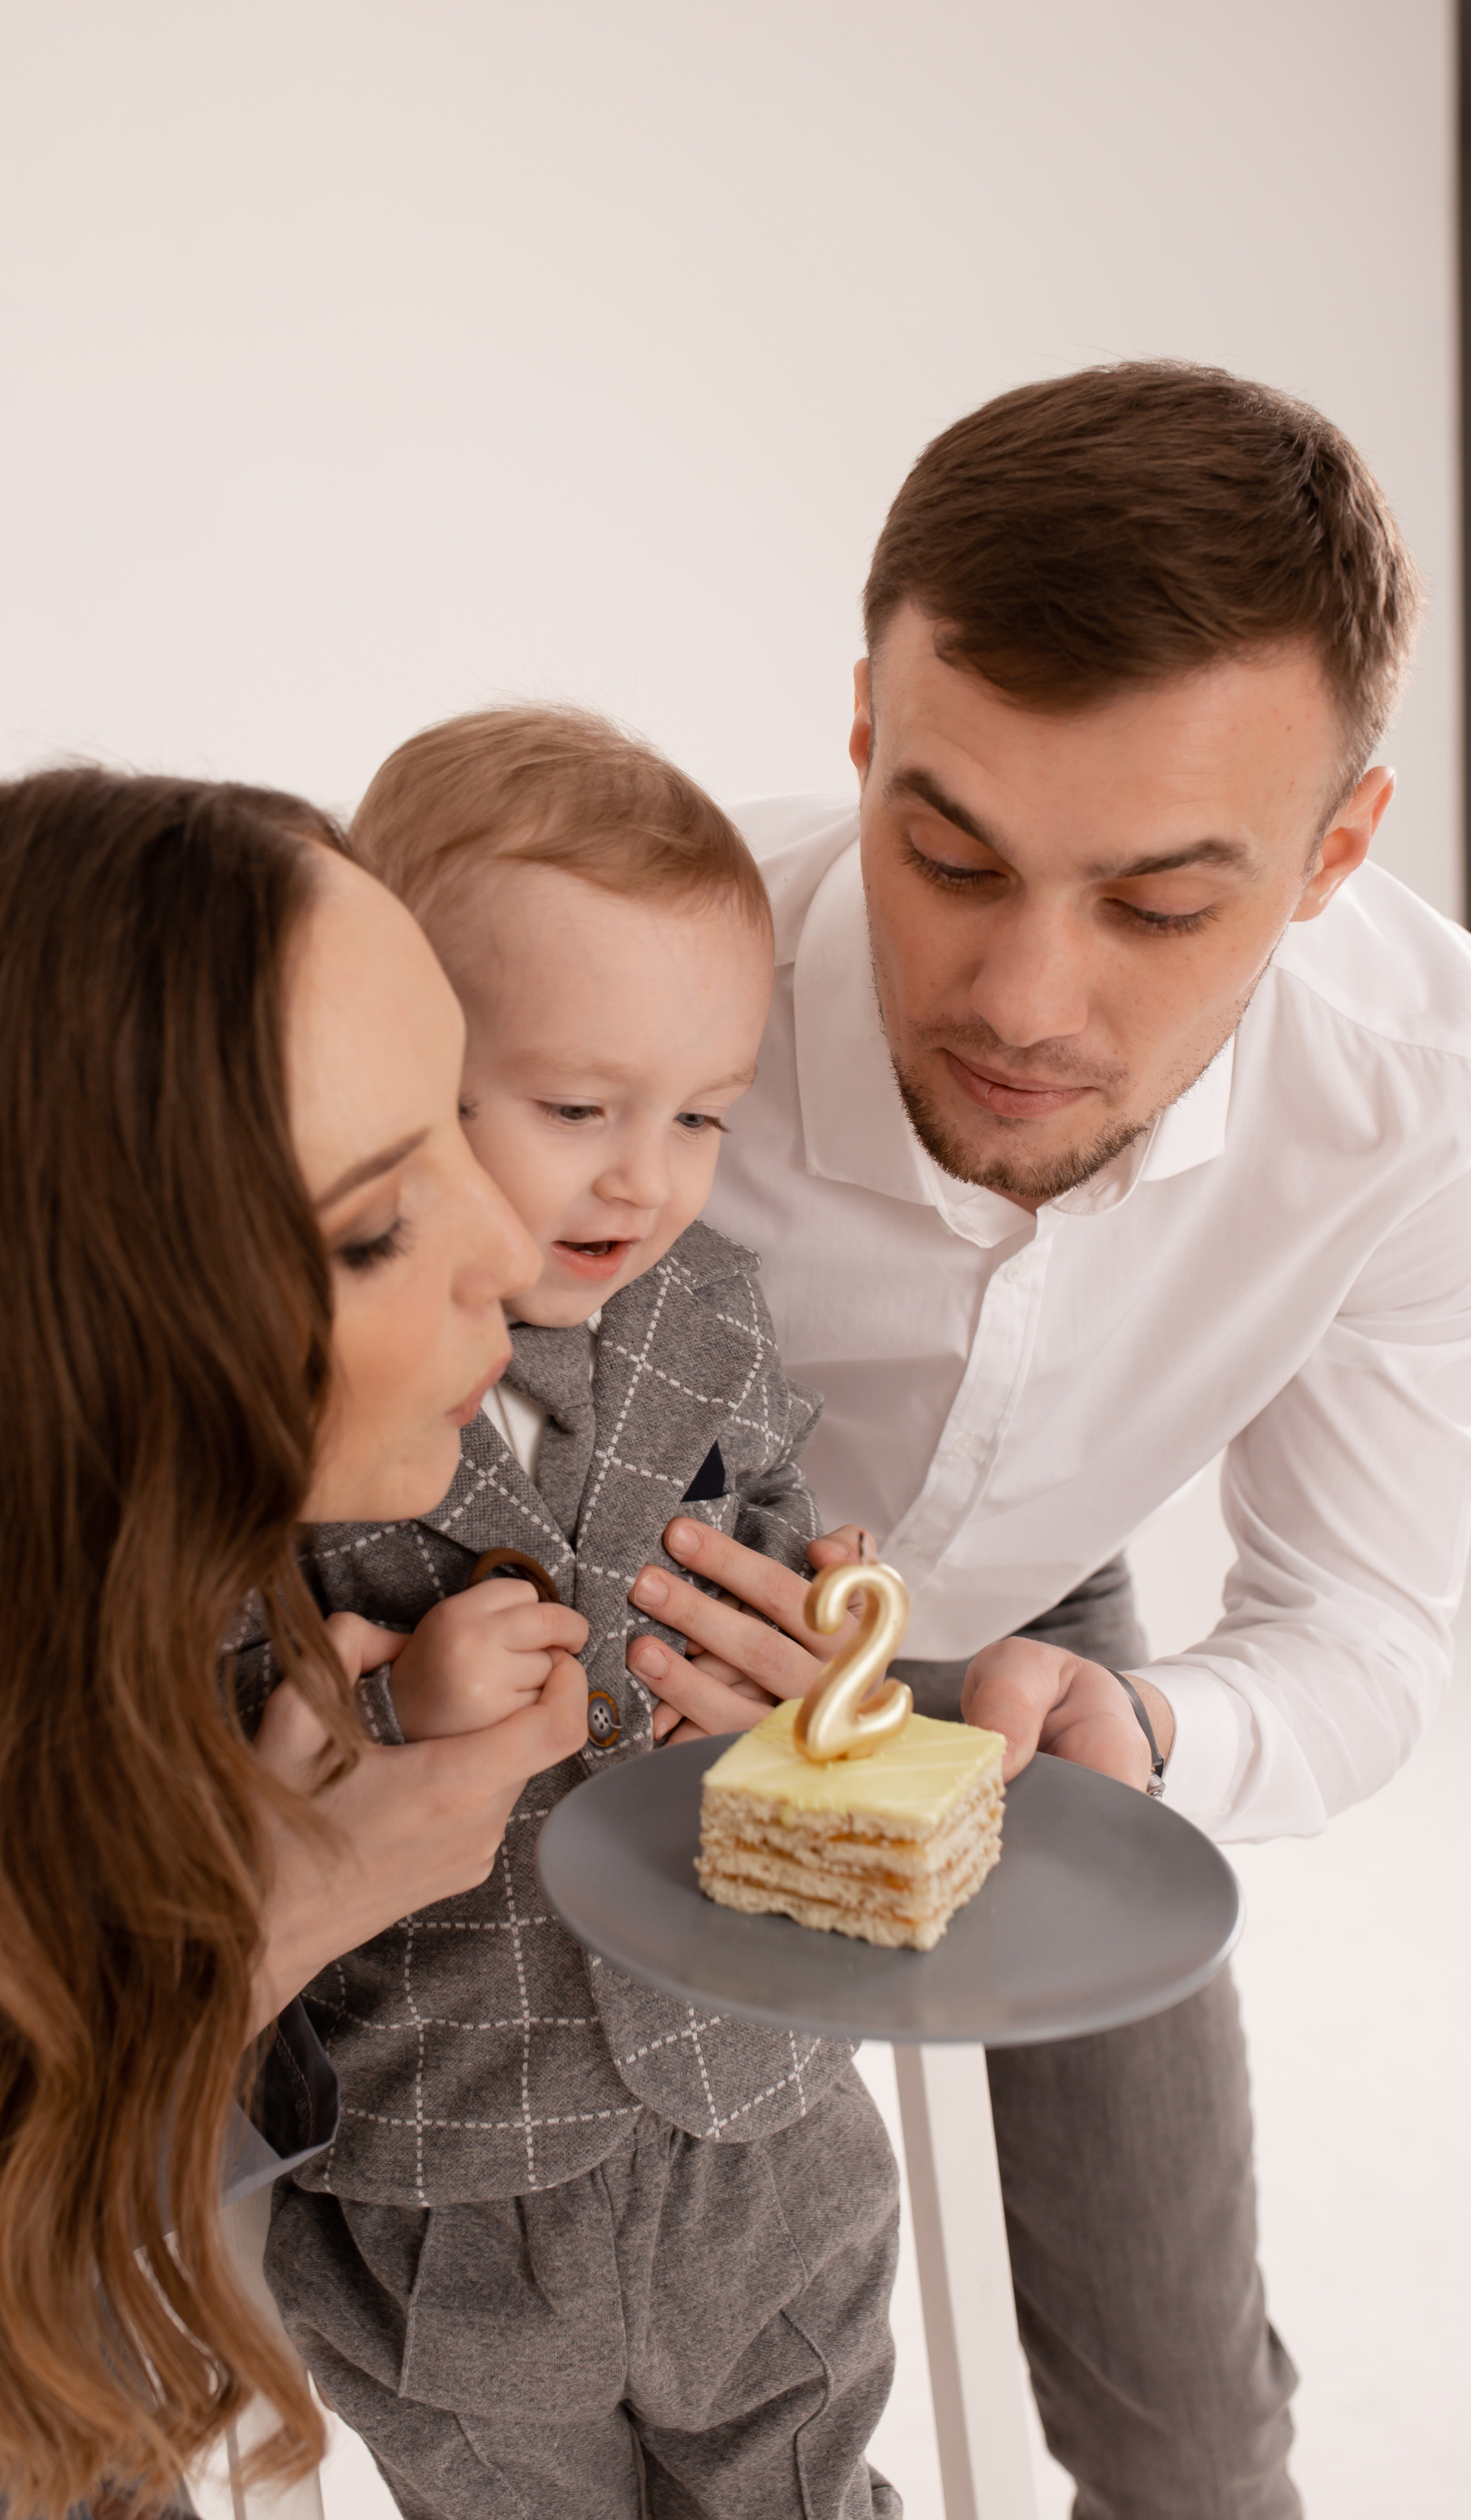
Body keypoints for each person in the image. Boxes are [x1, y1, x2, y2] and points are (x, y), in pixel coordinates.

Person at [625, 363, 1471, 2520]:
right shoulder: (632, 995)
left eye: (1161, 907)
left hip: (1040, 1636)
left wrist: (1151, 1731)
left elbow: (1369, 1623)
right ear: (864, 736)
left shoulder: (1418, 1092)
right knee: (705, 2398)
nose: (1023, 1000)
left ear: (1336, 855)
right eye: (948, 854)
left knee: (1194, 2433)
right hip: (632, 1644)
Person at [0, 766, 588, 2519]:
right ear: (77, 1332)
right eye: (373, 1228)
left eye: (461, 1119)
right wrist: (252, 1944)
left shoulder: (124, 1625)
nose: (512, 1248)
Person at [234, 706, 900, 2520]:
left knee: (809, 2475)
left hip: (750, 2126)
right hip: (452, 2157)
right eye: (579, 1109)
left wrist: (818, 1663)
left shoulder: (709, 1306)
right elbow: (213, 1720)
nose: (644, 1175)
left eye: (700, 1116)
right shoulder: (284, 1371)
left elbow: (777, 1533)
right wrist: (395, 1711)